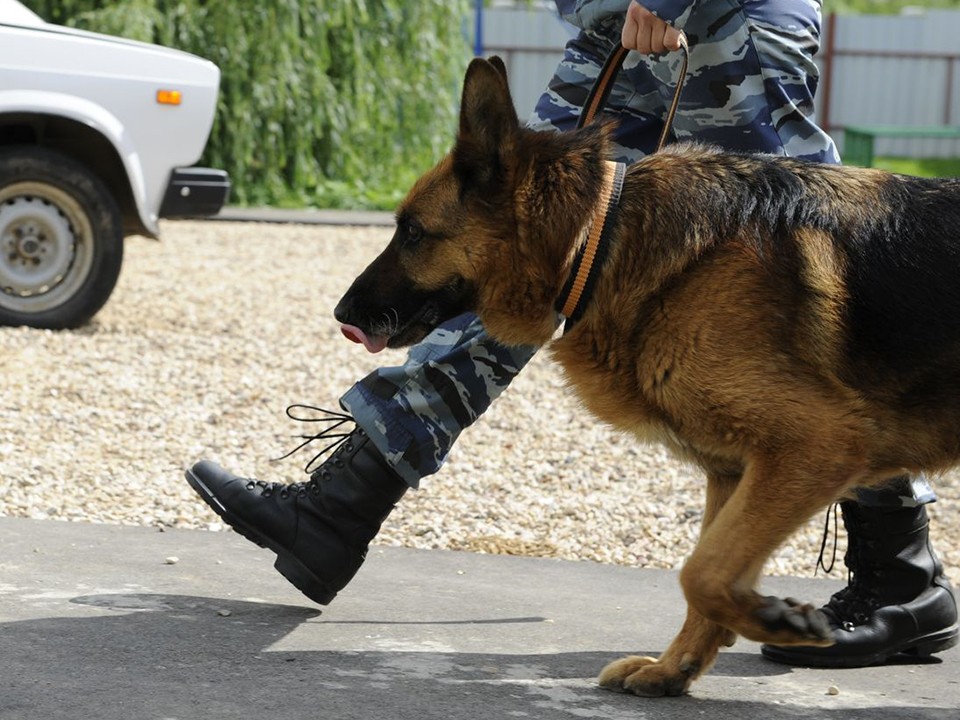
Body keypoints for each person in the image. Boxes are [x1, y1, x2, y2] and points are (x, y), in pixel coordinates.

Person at [185, 0, 957, 668]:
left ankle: (898, 570)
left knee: (794, 292)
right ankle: (348, 496)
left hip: (725, 20)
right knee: (523, 244)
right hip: (608, 24)